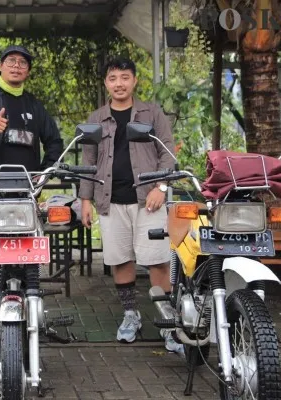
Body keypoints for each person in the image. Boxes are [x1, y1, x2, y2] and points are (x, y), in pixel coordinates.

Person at [0, 45, 64, 350]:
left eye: (23, 63)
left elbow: (54, 141)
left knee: (27, 253)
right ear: (0, 66)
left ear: (27, 71)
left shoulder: (34, 105)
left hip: (26, 193)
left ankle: (30, 316)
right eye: (12, 62)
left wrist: (44, 172)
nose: (17, 67)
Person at [78, 57, 182, 354]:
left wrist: (161, 187)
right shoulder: (96, 118)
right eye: (113, 78)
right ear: (106, 83)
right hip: (110, 201)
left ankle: (168, 322)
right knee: (120, 260)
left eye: (125, 77)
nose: (119, 83)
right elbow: (88, 162)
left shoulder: (152, 113)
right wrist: (85, 200)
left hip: (148, 200)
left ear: (135, 81)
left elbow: (168, 153)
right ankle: (131, 315)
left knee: (157, 260)